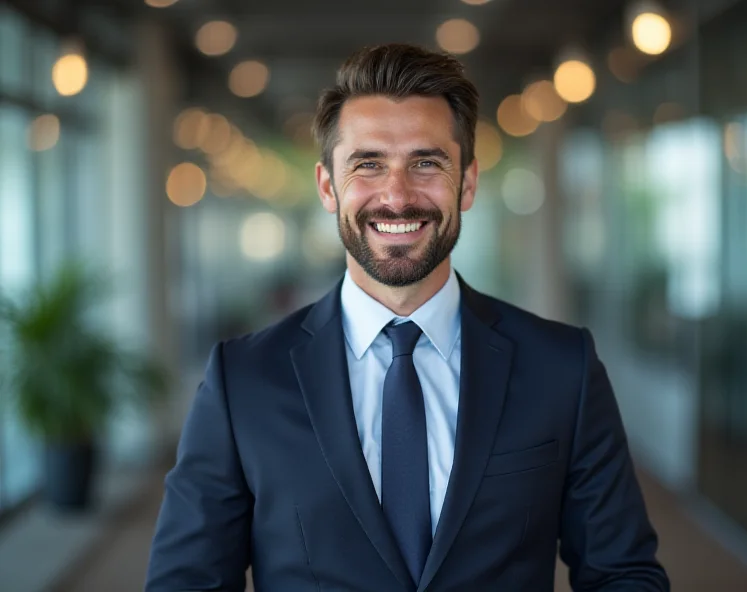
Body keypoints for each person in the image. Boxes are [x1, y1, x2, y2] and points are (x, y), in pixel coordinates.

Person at [145, 44, 670, 592]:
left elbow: (624, 574)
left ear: (466, 183)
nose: (396, 196)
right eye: (368, 164)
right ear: (328, 186)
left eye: (426, 163)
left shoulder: (563, 368)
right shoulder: (243, 380)